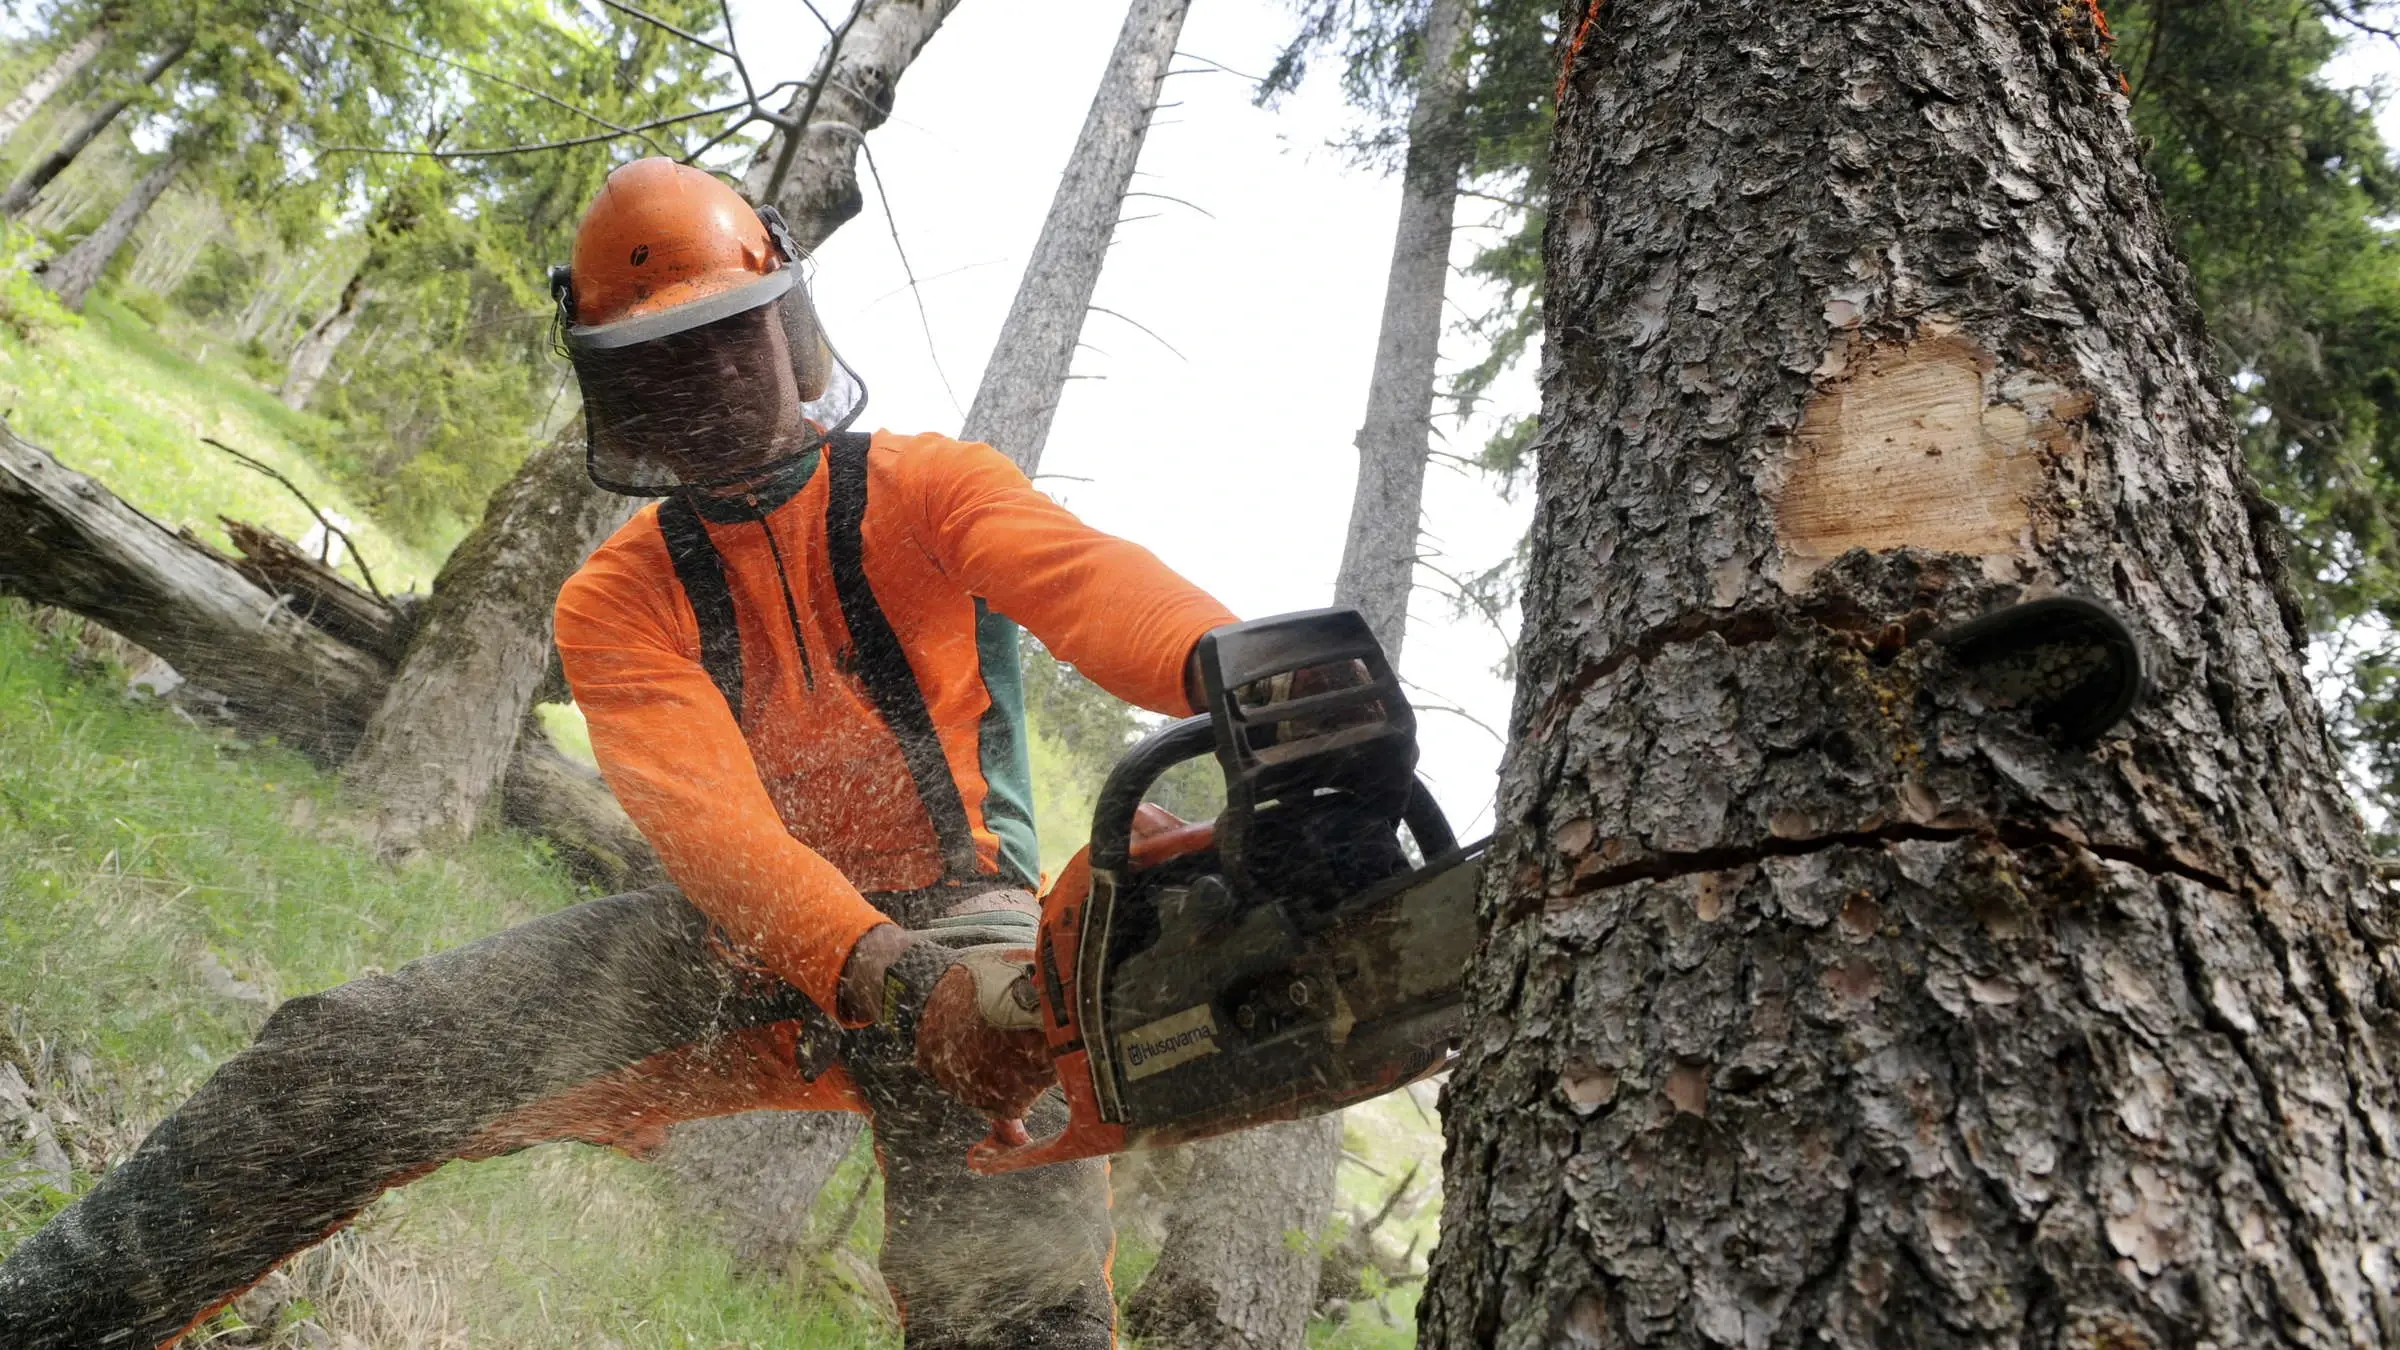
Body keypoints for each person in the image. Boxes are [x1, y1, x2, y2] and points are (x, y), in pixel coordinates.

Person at [0, 157, 1240, 1350]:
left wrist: (1254, 683)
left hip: (970, 915)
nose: (701, 382)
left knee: (1008, 1229)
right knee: (345, 1063)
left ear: (786, 326)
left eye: (724, 341)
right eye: (662, 364)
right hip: (737, 938)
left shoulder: (932, 490)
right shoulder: (620, 595)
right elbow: (714, 831)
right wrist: (882, 972)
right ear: (618, 395)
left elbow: (1098, 593)